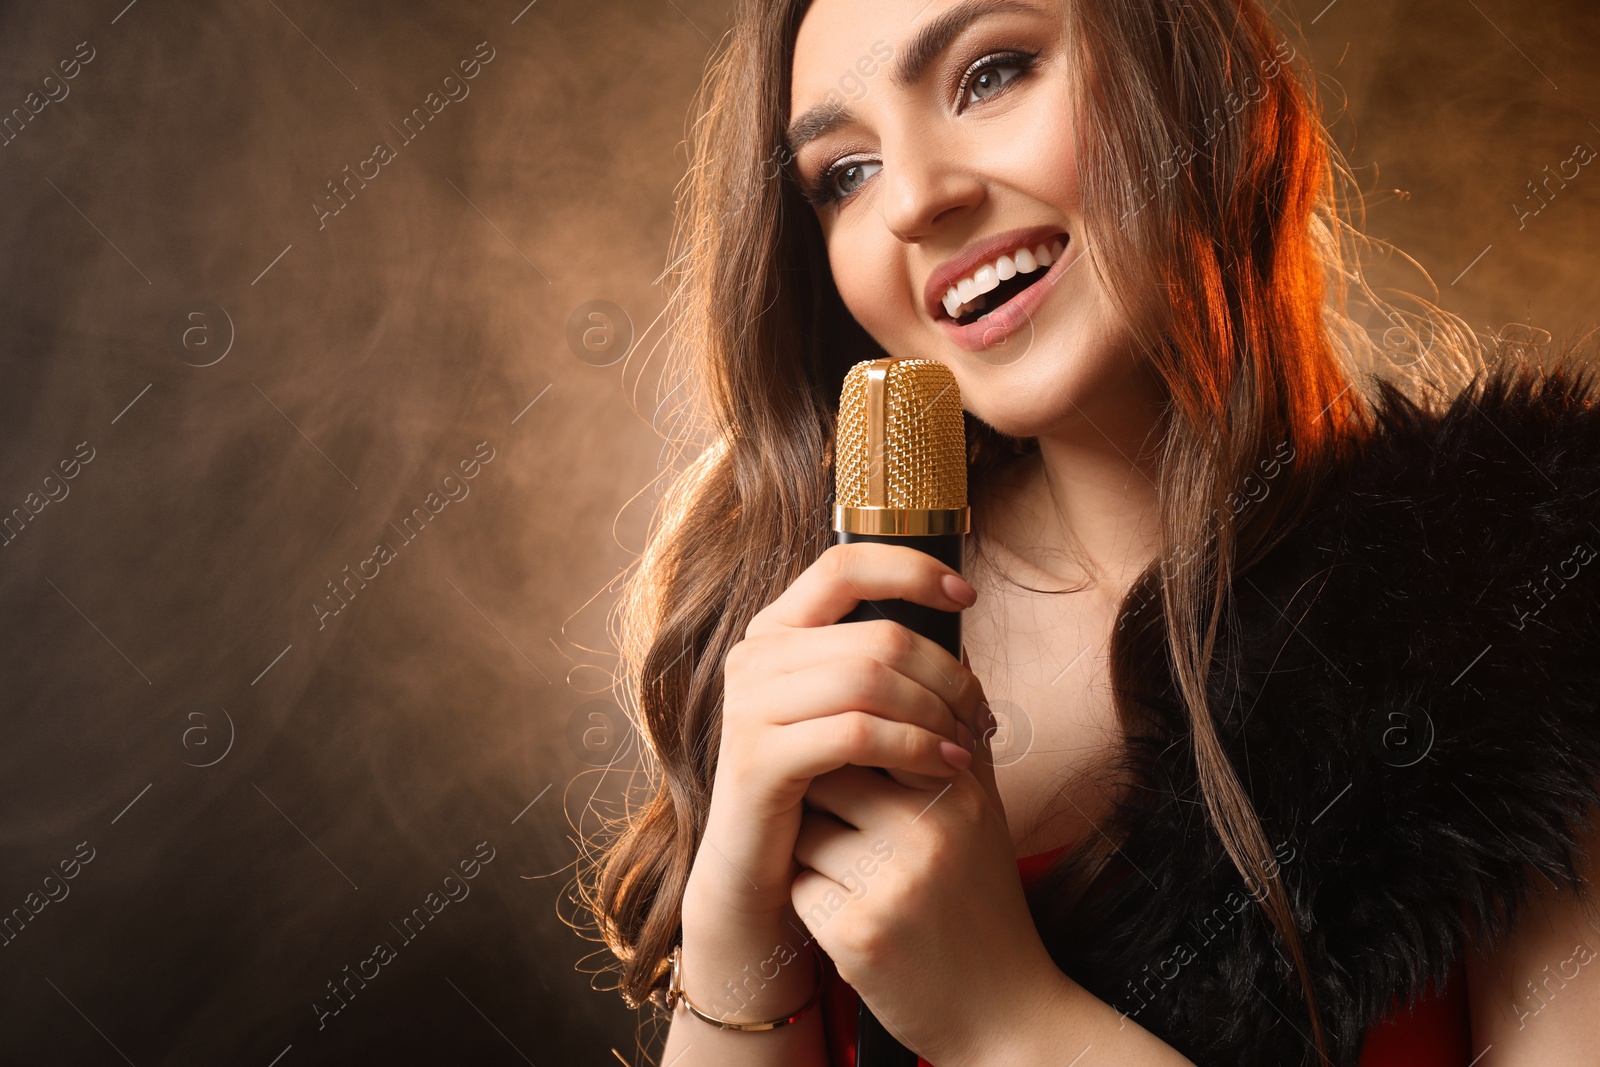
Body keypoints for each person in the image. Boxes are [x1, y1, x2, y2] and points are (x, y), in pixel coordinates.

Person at [576, 0, 1600, 1063]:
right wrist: (734, 941)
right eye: (844, 174)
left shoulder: (1523, 593)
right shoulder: (823, 633)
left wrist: (1005, 1021)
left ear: (1187, 70)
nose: (917, 199)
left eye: (992, 75)